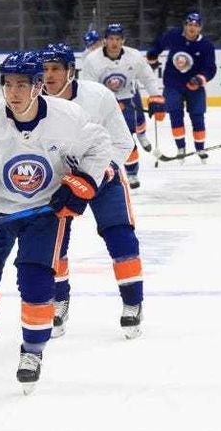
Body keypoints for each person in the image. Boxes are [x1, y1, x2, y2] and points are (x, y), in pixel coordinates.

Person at [0, 51, 111, 394]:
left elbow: (99, 147)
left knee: (37, 277)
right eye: (8, 84)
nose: (13, 92)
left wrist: (82, 183)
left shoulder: (68, 116)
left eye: (22, 84)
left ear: (38, 86)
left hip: (45, 212)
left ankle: (32, 350)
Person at [40, 42, 145, 340]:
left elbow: (124, 144)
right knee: (53, 244)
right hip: (59, 180)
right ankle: (59, 299)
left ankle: (132, 301)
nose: (49, 75)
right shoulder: (35, 101)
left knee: (120, 236)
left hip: (102, 176)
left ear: (70, 71)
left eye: (56, 69)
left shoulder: (98, 96)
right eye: (45, 69)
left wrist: (102, 171)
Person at [78, 23, 163, 188]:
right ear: (105, 40)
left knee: (127, 137)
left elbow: (147, 76)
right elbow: (89, 88)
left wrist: (156, 97)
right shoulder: (92, 60)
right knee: (103, 139)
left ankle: (132, 174)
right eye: (111, 39)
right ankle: (103, 170)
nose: (114, 43)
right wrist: (105, 106)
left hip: (127, 99)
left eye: (118, 39)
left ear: (123, 40)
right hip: (103, 103)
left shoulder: (134, 56)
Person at [146, 12, 217, 162]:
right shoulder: (174, 35)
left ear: (200, 28)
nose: (192, 28)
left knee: (197, 116)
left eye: (196, 26)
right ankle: (181, 148)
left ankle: (200, 148)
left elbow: (210, 68)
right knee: (175, 114)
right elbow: (159, 44)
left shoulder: (206, 45)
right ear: (184, 25)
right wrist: (153, 55)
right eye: (189, 25)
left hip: (194, 85)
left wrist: (200, 78)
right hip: (173, 82)